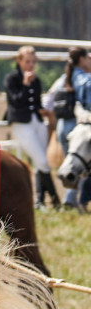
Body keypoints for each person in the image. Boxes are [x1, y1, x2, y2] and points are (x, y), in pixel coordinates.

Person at [4, 46, 60, 210]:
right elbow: (16, 101)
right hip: (21, 123)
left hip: (36, 121)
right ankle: (56, 200)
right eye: (27, 61)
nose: (31, 65)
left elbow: (34, 103)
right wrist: (26, 84)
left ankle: (40, 200)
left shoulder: (36, 80)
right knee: (42, 161)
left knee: (40, 162)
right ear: (19, 61)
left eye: (33, 62)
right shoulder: (12, 79)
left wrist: (42, 111)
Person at [53, 47, 91, 210]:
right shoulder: (84, 79)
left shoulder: (64, 77)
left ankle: (71, 199)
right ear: (82, 59)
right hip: (78, 129)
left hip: (62, 126)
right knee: (79, 165)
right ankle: (72, 200)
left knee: (71, 163)